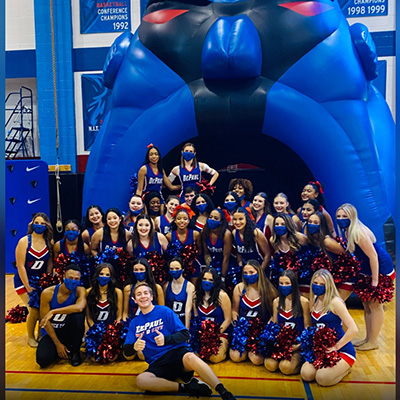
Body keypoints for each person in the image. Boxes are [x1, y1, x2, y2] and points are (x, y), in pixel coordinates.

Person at [123, 282, 236, 399]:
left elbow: (185, 334)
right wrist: (134, 347)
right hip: (158, 363)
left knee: (191, 357)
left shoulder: (165, 311)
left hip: (178, 354)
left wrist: (166, 339)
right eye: (139, 294)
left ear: (152, 296)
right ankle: (186, 387)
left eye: (146, 293)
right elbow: (127, 351)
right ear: (135, 299)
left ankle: (223, 391)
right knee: (141, 380)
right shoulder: (134, 323)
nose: (143, 296)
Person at [336, 203, 395, 351]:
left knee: (375, 305)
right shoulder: (347, 231)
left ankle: (373, 341)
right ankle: (368, 338)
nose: (341, 219)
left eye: (345, 216)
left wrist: (375, 281)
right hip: (366, 269)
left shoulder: (358, 232)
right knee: (366, 304)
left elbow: (373, 256)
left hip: (380, 268)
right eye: (339, 216)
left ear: (352, 217)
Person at [301, 269, 358, 386]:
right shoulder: (314, 300)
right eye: (315, 283)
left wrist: (337, 346)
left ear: (329, 285)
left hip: (341, 350)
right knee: (306, 374)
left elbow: (353, 329)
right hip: (322, 350)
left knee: (323, 379)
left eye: (322, 284)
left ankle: (346, 370)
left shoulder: (335, 302)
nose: (318, 286)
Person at [14, 212, 54, 347]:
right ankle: (30, 337)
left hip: (41, 281)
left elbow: (49, 263)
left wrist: (47, 281)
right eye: (37, 223)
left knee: (43, 309)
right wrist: (27, 286)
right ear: (32, 224)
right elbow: (20, 266)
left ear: (47, 226)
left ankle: (40, 334)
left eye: (43, 223)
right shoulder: (24, 241)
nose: (39, 226)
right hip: (23, 281)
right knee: (33, 309)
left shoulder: (49, 241)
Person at [36, 264, 87, 368]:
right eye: (70, 278)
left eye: (76, 279)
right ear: (64, 277)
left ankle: (75, 352)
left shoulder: (80, 290)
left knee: (78, 317)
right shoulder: (47, 293)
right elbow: (45, 322)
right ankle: (60, 350)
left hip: (68, 332)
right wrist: (57, 344)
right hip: (51, 333)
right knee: (42, 360)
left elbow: (80, 307)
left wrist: (53, 312)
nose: (73, 281)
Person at [230, 260, 277, 365]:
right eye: (245, 273)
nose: (248, 275)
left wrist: (266, 332)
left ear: (259, 272)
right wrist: (237, 326)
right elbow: (234, 310)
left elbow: (274, 315)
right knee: (235, 357)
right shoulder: (239, 288)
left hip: (259, 333)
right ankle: (246, 350)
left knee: (257, 360)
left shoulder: (269, 290)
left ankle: (251, 351)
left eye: (251, 272)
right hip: (244, 331)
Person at [264, 270, 311, 374]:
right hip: (281, 343)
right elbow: (275, 325)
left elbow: (308, 328)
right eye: (281, 283)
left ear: (293, 284)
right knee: (270, 365)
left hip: (297, 344)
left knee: (286, 368)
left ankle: (300, 362)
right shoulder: (276, 301)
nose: (284, 286)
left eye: (287, 283)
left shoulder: (303, 302)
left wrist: (298, 346)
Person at [305, 211, 348, 299]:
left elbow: (347, 258)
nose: (312, 225)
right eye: (310, 222)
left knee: (334, 306)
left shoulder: (327, 241)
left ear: (322, 225)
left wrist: (337, 277)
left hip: (344, 279)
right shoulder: (312, 241)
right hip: (326, 279)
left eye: (316, 223)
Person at [194, 267, 232, 363]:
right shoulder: (196, 295)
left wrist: (215, 335)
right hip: (203, 334)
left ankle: (226, 349)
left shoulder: (222, 296)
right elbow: (196, 318)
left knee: (214, 358)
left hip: (221, 333)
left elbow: (228, 319)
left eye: (211, 280)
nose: (207, 282)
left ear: (216, 282)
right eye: (204, 279)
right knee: (195, 356)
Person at [269, 213, 308, 285]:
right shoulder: (273, 240)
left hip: (301, 276)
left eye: (282, 224)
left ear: (288, 225)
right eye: (276, 224)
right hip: (284, 278)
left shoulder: (299, 238)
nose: (279, 226)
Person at [166, 207, 202, 283]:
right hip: (176, 269)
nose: (182, 221)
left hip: (193, 267)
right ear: (175, 220)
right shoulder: (169, 236)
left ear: (189, 220)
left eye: (185, 219)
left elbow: (200, 251)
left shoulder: (195, 234)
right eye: (179, 218)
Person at [232, 207, 271, 272]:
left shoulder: (256, 233)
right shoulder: (234, 232)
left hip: (260, 267)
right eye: (235, 219)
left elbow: (267, 255)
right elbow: (238, 253)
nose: (237, 222)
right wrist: (241, 267)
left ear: (246, 219)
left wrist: (260, 272)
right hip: (246, 269)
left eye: (241, 219)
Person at [86, 263, 123, 327]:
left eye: (107, 275)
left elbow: (119, 316)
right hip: (93, 329)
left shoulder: (117, 292)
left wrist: (113, 330)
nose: (104, 277)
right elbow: (88, 317)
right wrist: (93, 330)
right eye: (101, 274)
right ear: (97, 275)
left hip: (111, 330)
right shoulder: (88, 292)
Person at [164, 258, 195, 329]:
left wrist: (186, 330)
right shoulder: (166, 286)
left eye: (177, 268)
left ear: (183, 269)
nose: (174, 271)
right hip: (170, 321)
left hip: (183, 320)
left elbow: (188, 311)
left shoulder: (189, 286)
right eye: (171, 269)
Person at [202, 208, 233, 279]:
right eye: (210, 217)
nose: (212, 219)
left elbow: (226, 258)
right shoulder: (204, 232)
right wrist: (210, 269)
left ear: (221, 221)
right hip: (213, 262)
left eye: (216, 218)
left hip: (227, 264)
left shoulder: (226, 234)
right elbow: (206, 254)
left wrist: (222, 277)